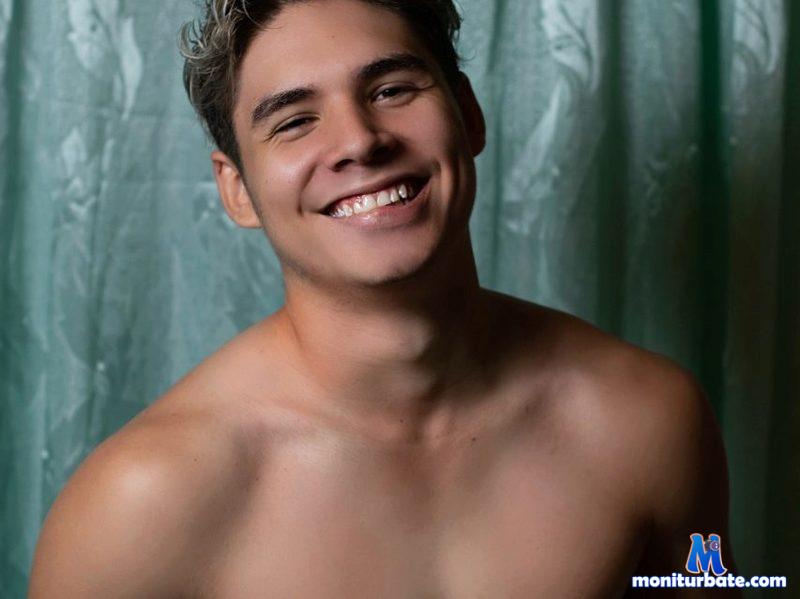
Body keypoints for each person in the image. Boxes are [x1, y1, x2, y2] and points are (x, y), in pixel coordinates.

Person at [28, 0, 737, 596]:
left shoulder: (648, 420)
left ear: (468, 113)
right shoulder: (137, 506)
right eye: (294, 120)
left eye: (392, 89)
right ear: (237, 189)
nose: (360, 141)